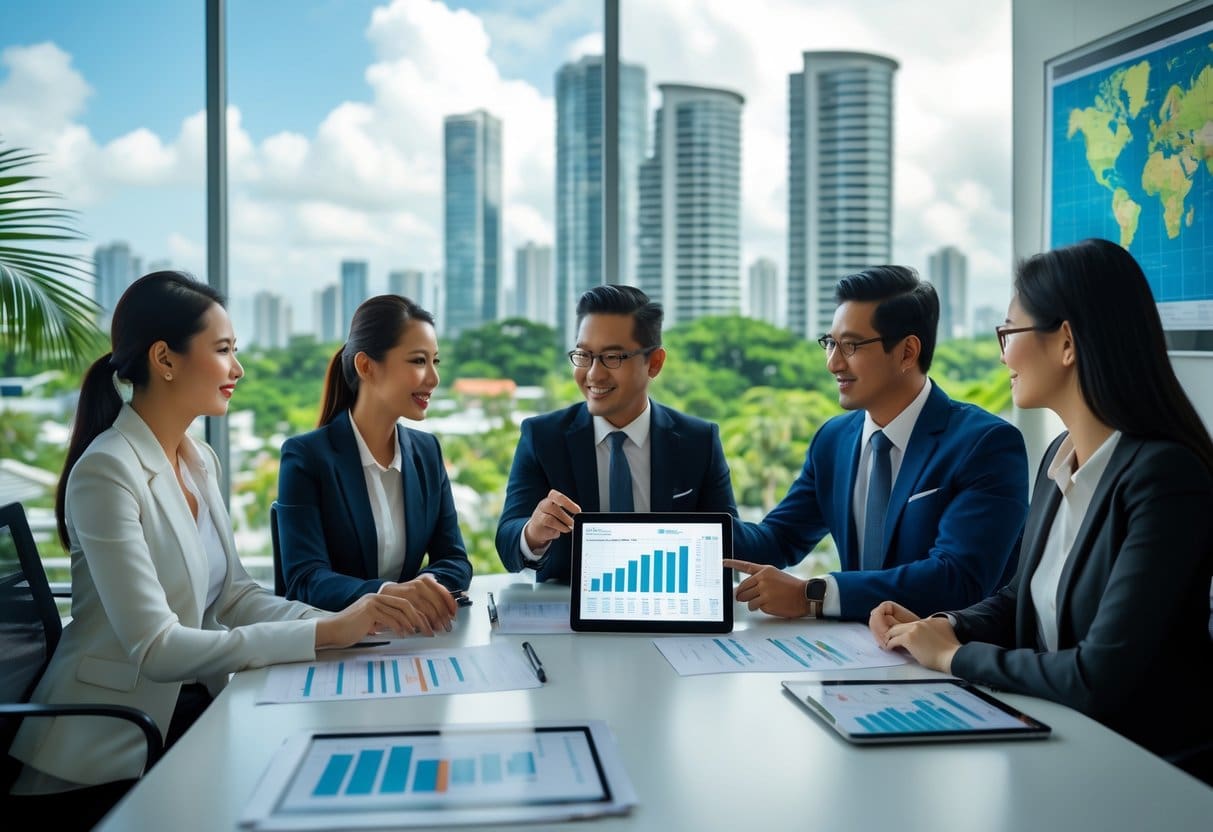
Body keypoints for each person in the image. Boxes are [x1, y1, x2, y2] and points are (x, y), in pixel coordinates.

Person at [8, 272, 424, 826]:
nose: (238, 369)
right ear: (166, 359)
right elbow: (156, 647)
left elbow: (234, 596)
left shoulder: (198, 458)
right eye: (224, 350)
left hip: (188, 713)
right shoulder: (107, 471)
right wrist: (325, 633)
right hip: (106, 748)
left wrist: (353, 619)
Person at [870, 239, 1213, 781]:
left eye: (1009, 332)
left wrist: (951, 657)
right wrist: (942, 625)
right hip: (1058, 742)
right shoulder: (1058, 455)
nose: (1002, 353)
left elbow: (1098, 675)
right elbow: (1020, 598)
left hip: (1143, 770)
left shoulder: (1164, 479)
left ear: (1067, 343)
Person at [724, 265, 1029, 622]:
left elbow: (958, 578)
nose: (833, 363)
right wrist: (690, 525)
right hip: (856, 653)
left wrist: (814, 594)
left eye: (851, 345)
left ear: (907, 352)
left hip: (947, 660)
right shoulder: (833, 440)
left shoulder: (985, 444)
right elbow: (777, 540)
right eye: (830, 343)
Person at [495, 284, 738, 582]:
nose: (594, 374)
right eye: (584, 356)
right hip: (570, 616)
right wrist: (533, 533)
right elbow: (508, 542)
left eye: (613, 357)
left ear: (655, 363)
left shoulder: (698, 440)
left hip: (669, 610)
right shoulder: (543, 436)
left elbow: (729, 545)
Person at [276, 294, 470, 624]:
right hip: (337, 643)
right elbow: (304, 579)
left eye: (435, 361)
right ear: (366, 366)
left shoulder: (427, 452)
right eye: (418, 361)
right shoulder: (306, 457)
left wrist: (426, 587)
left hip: (411, 639)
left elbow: (454, 558)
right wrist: (387, 596)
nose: (434, 379)